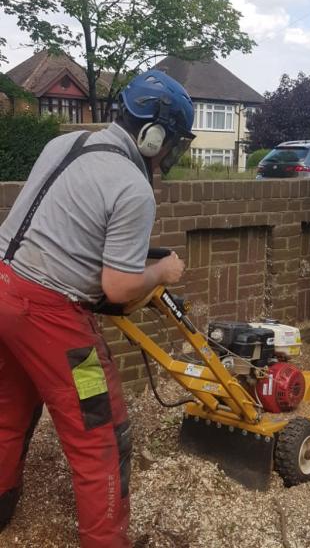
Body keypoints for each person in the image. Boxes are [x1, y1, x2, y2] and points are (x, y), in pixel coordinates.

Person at [0, 70, 195, 547]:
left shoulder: (62, 147)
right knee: (100, 433)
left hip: (3, 291)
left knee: (8, 409)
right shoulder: (132, 186)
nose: (169, 154)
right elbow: (119, 285)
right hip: (52, 319)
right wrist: (161, 273)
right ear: (153, 136)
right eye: (171, 142)